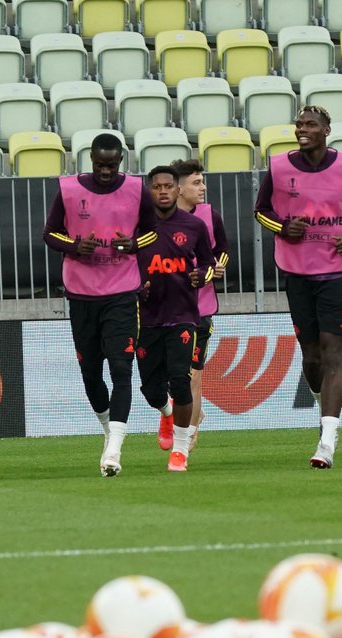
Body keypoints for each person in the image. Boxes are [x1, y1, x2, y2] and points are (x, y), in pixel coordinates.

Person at [254, 105, 342, 469]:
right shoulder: (279, 166)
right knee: (310, 356)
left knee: (332, 354)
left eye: (310, 125)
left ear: (327, 130)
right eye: (299, 124)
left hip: (338, 274)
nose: (302, 130)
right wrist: (281, 227)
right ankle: (321, 407)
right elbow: (260, 209)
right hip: (296, 272)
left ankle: (327, 439)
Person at [43, 132, 157, 477]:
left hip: (123, 292)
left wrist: (133, 243)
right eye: (100, 164)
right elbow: (50, 234)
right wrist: (75, 246)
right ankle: (108, 429)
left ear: (121, 161)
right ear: (90, 159)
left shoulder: (138, 189)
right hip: (81, 293)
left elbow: (152, 232)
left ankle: (115, 448)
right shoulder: (69, 189)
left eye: (112, 165)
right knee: (91, 373)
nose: (106, 171)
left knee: (122, 369)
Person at [138, 165, 215, 472]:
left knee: (181, 382)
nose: (164, 191)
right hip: (147, 318)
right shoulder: (139, 227)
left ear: (176, 189)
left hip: (183, 316)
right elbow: (127, 265)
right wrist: (135, 289)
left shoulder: (194, 226)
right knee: (150, 389)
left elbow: (209, 264)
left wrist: (201, 276)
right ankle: (165, 412)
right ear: (150, 191)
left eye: (168, 186)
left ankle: (181, 451)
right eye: (157, 187)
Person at [162, 158, 229, 452]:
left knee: (193, 375)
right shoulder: (158, 218)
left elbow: (222, 252)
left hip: (200, 309)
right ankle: (180, 412)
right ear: (179, 188)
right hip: (163, 311)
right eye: (197, 182)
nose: (203, 187)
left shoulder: (209, 215)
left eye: (203, 181)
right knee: (166, 375)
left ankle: (187, 432)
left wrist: (211, 272)